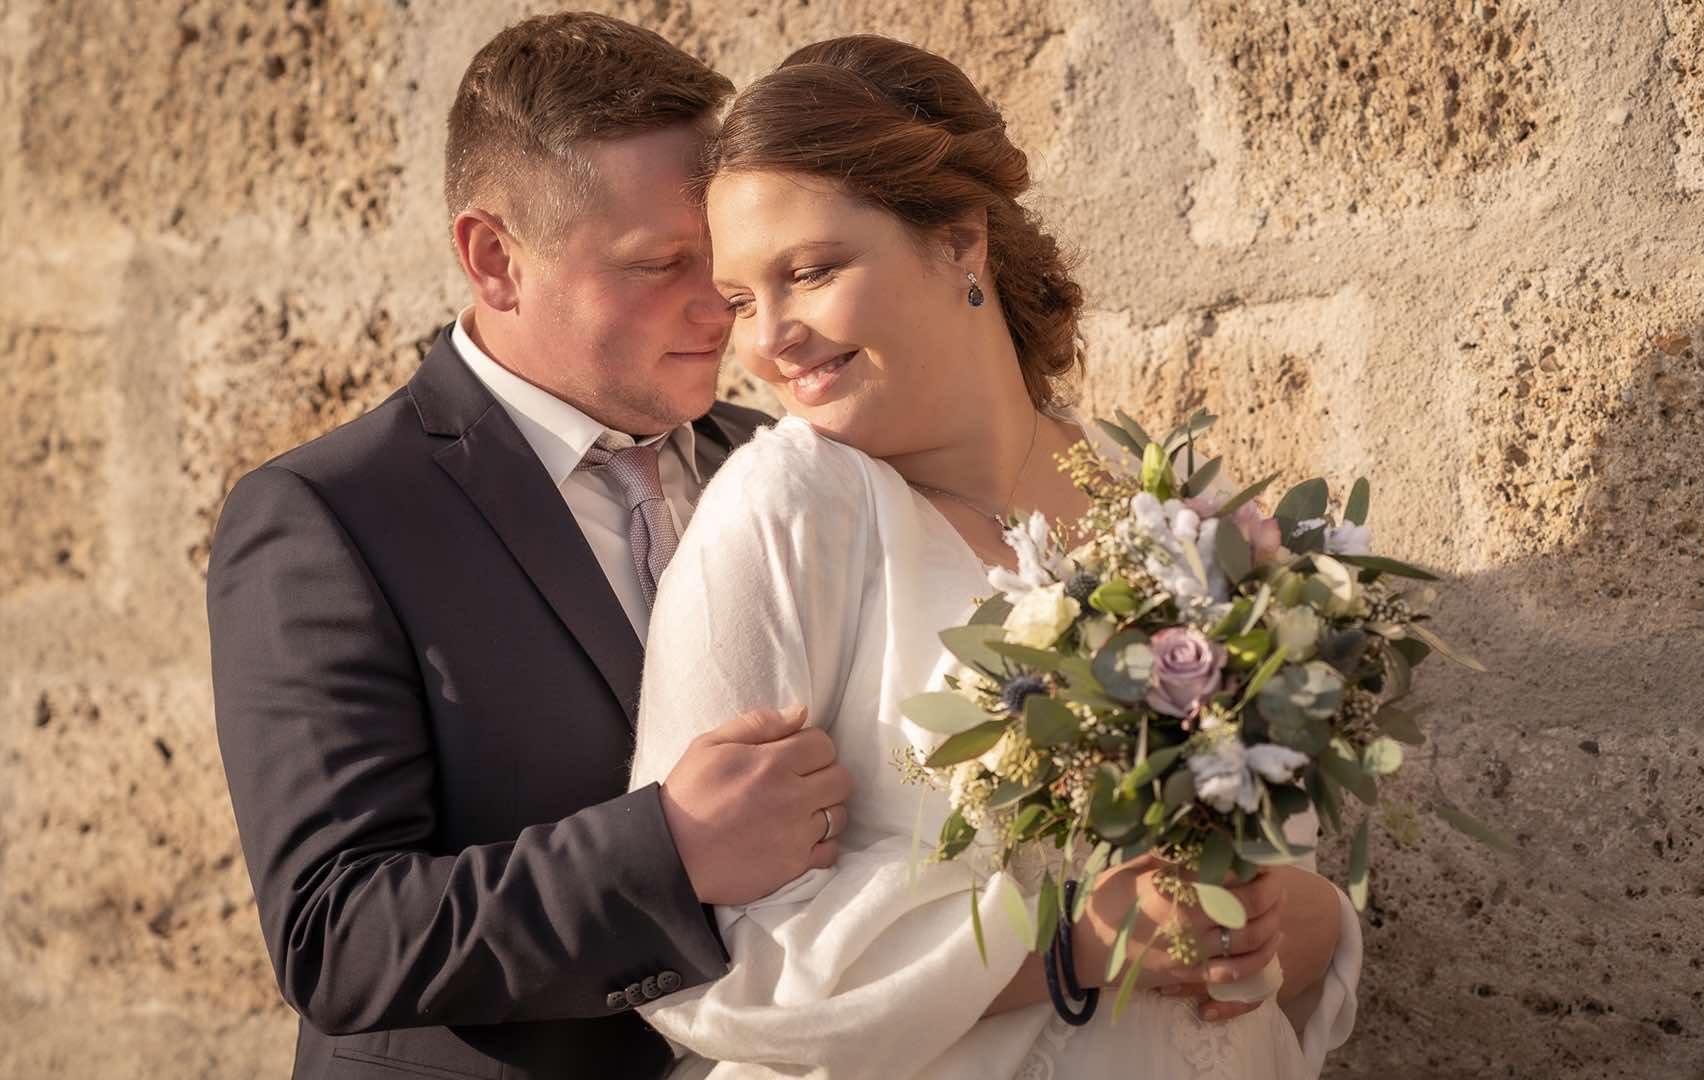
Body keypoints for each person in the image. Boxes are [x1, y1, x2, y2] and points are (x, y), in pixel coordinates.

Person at [627, 35, 1364, 1079]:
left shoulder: (1158, 503)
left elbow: (1260, 869)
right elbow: (714, 958)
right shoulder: (788, 506)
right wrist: (1071, 940)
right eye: (743, 298)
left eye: (810, 272)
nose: (768, 340)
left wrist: (1301, 925)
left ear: (960, 241)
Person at [206, 14, 852, 1078]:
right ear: (495, 259)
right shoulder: (326, 518)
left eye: (725, 258)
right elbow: (337, 935)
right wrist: (672, 851)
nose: (722, 306)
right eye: (660, 264)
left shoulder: (785, 465)